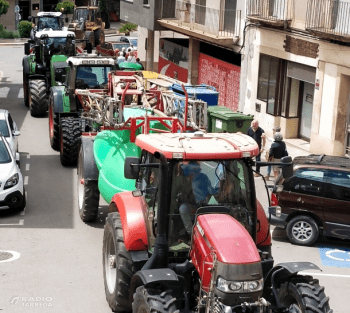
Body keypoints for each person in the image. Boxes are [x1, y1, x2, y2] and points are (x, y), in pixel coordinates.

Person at [179, 162, 218, 236]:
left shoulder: (203, 177)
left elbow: (211, 191)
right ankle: (191, 234)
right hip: (190, 206)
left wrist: (218, 191)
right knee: (183, 209)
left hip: (202, 205)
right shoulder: (183, 181)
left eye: (197, 169)